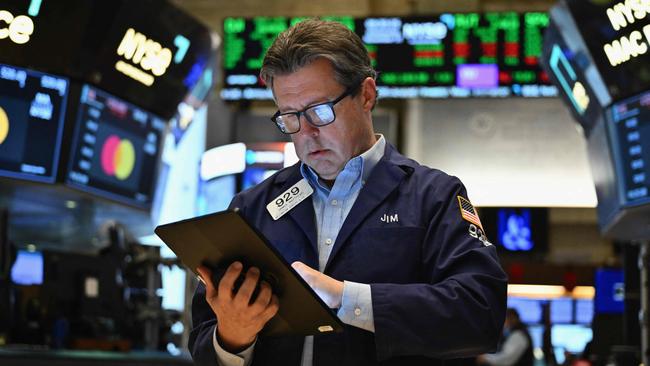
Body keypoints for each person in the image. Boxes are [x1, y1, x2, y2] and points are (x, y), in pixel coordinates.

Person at [189, 18, 507, 366]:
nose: (306, 132)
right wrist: (233, 338)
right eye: (290, 117)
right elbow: (204, 342)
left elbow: (480, 313)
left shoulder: (433, 197)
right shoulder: (252, 208)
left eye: (319, 111)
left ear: (366, 95)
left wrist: (346, 299)